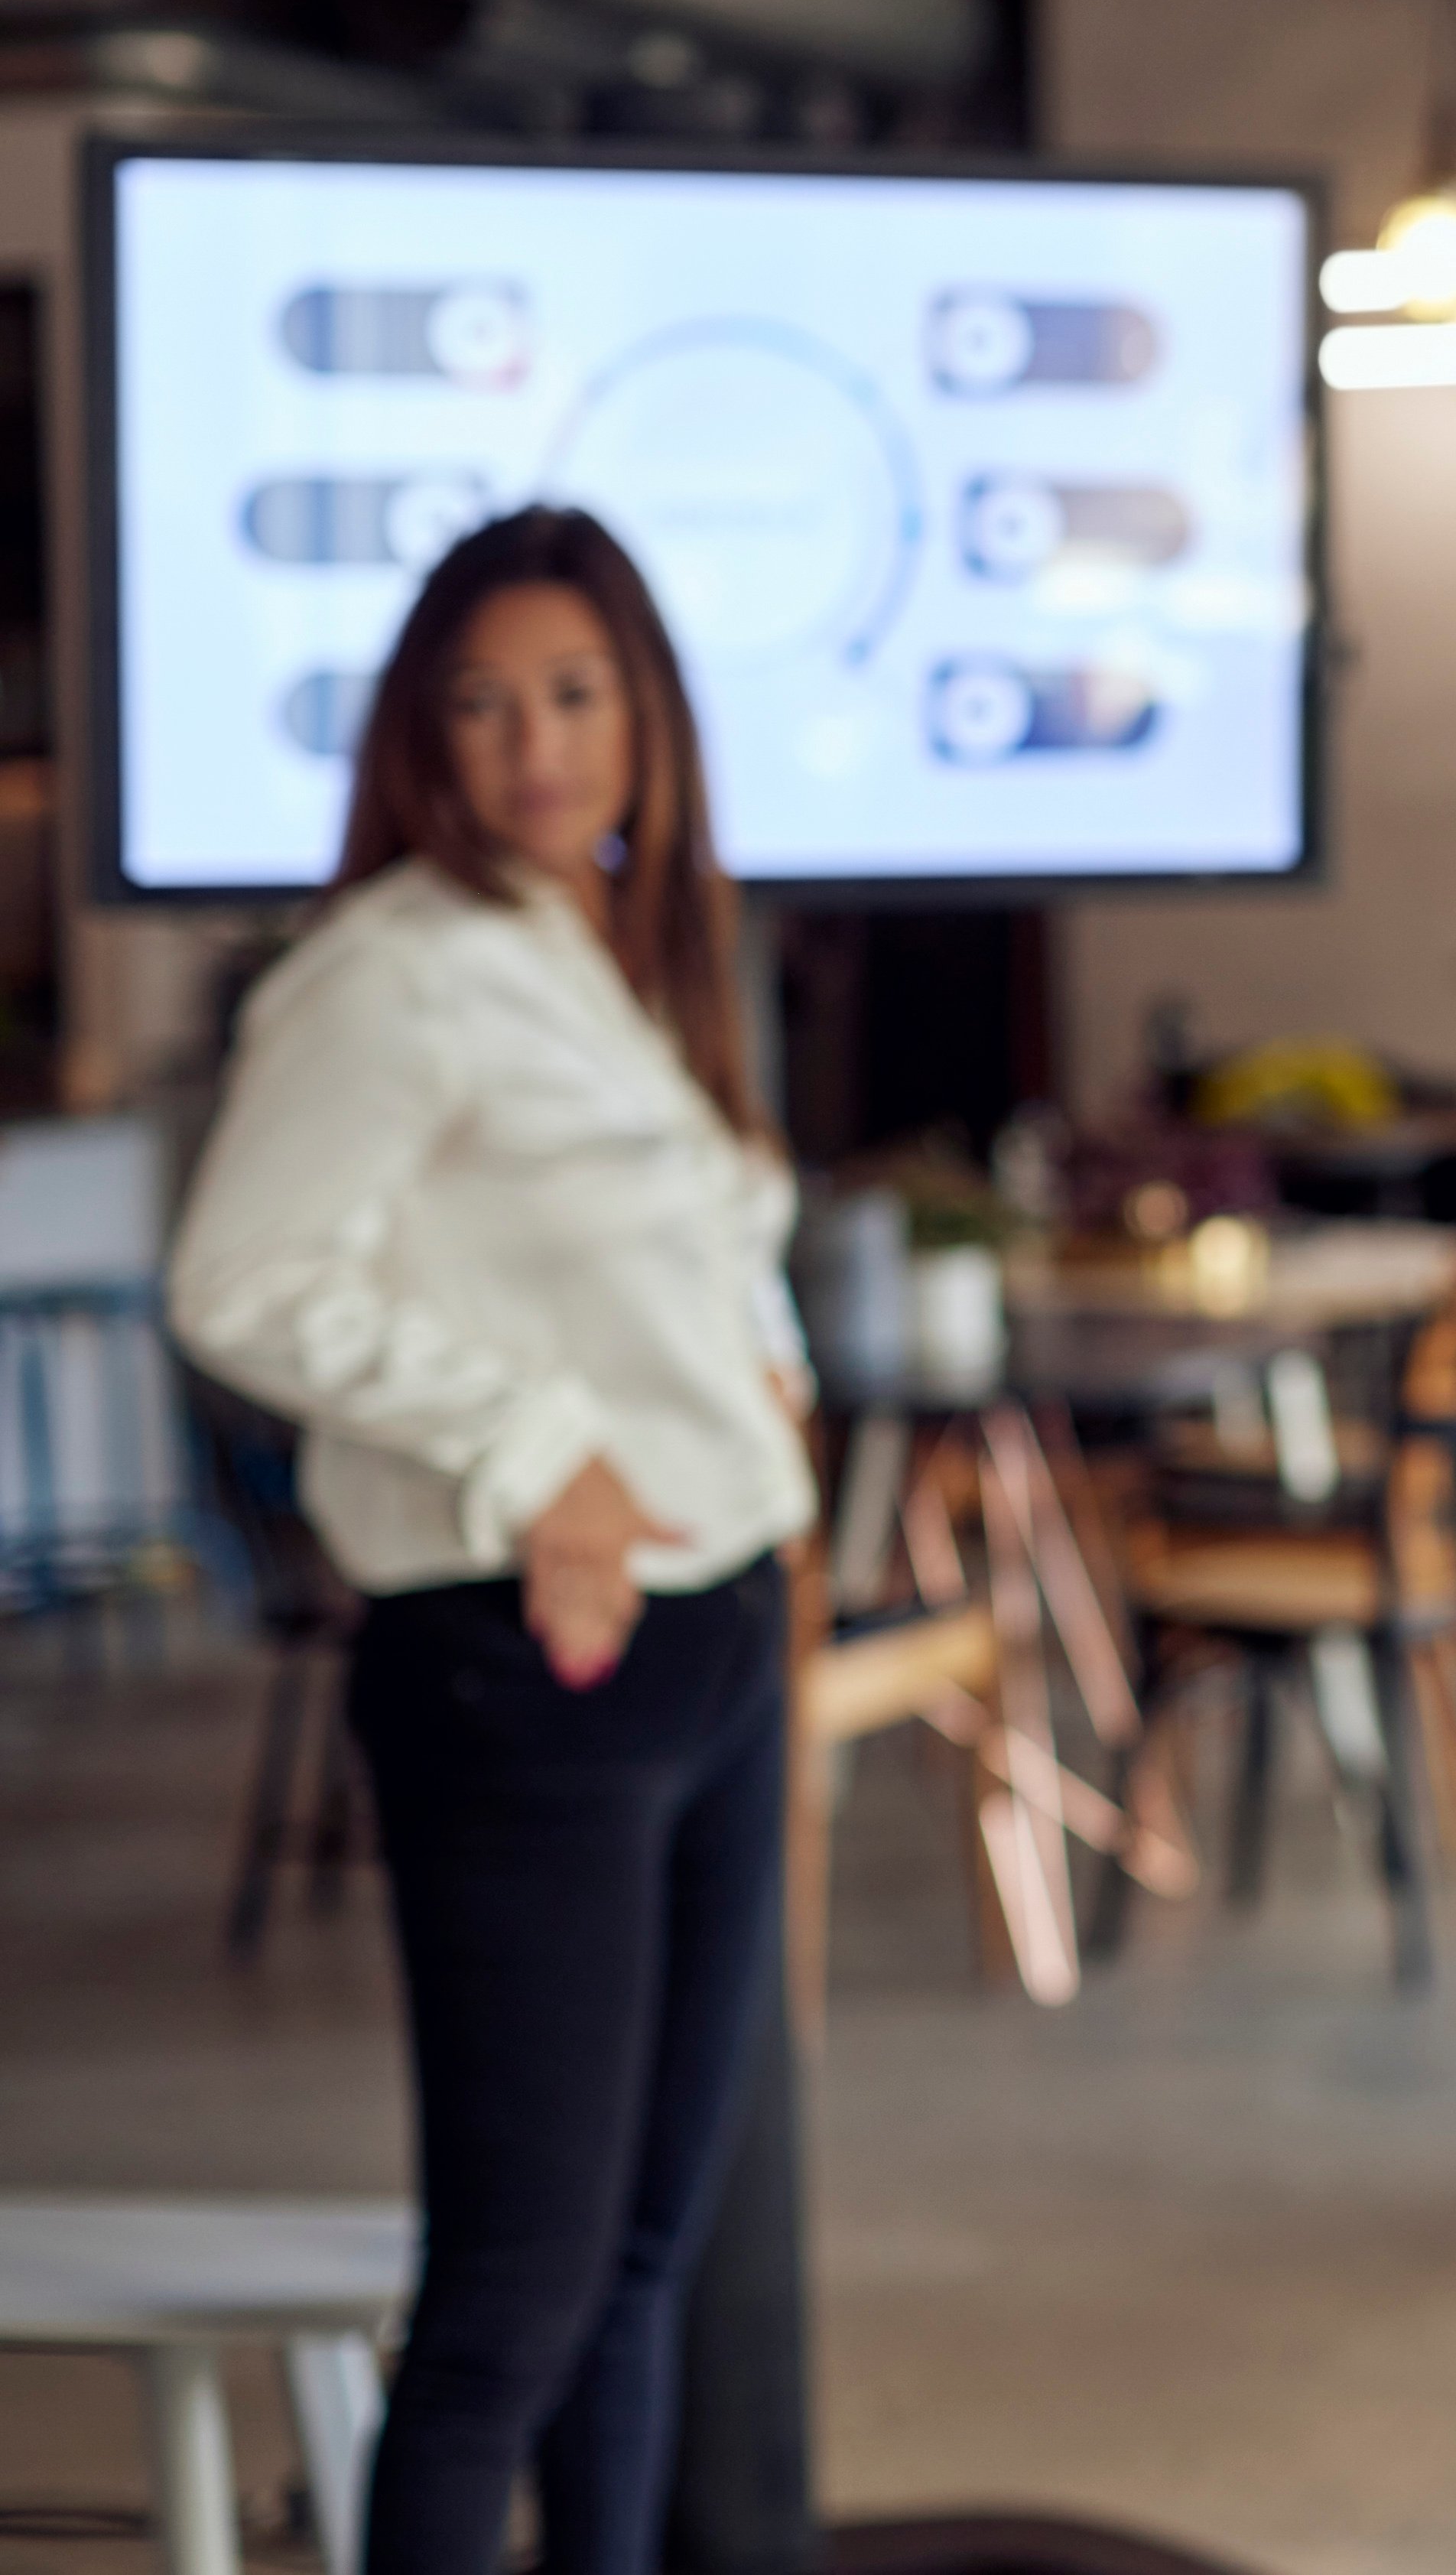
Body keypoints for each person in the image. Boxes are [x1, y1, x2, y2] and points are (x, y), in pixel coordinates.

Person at [171, 508, 817, 2575]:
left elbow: (652, 1254)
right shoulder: (392, 973)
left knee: (640, 2265)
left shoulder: (599, 957)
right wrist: (542, 1449)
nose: (532, 741)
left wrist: (751, 1376)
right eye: (480, 699)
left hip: (714, 1631)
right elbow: (243, 1279)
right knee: (515, 2304)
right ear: (416, 736)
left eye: (573, 691)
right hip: (540, 1661)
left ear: (644, 716)